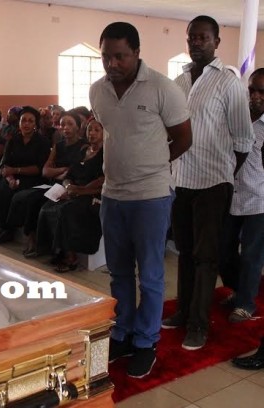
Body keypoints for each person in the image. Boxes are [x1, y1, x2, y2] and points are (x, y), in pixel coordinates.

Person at [89, 22, 192, 378]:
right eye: (106, 56)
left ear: (136, 53)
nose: (112, 64)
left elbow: (183, 138)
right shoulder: (97, 91)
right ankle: (123, 332)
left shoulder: (163, 88)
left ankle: (146, 342)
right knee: (118, 272)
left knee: (149, 275)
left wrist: (152, 167)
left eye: (120, 56)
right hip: (112, 195)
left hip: (150, 197)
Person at [163, 15, 255, 351]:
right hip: (182, 181)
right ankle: (184, 311)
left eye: (203, 38)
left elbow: (243, 139)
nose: (196, 43)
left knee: (205, 257)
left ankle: (199, 325)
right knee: (185, 252)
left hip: (214, 182)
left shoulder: (229, 83)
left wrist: (226, 175)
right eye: (191, 38)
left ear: (217, 42)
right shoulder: (179, 81)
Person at [222, 68, 264, 323]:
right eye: (252, 89)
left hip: (258, 197)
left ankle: (246, 304)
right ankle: (238, 290)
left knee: (251, 254)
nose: (256, 96)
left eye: (262, 91)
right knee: (223, 249)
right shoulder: (237, 117)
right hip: (230, 194)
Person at [36, 118, 104, 272]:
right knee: (48, 206)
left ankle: (71, 255)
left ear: (104, 133)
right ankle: (54, 250)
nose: (92, 133)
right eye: (89, 130)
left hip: (92, 194)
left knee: (68, 210)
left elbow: (103, 182)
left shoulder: (106, 154)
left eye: (96, 130)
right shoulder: (82, 151)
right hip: (74, 191)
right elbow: (69, 174)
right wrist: (67, 187)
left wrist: (79, 191)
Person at [0, 106, 50, 245]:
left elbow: (39, 168)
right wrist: (10, 178)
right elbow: (5, 164)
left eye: (30, 121)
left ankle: (11, 227)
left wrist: (15, 171)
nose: (26, 124)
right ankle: (3, 227)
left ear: (35, 124)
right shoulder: (13, 140)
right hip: (12, 176)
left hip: (33, 179)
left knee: (19, 195)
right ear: (19, 123)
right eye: (24, 120)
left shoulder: (42, 142)